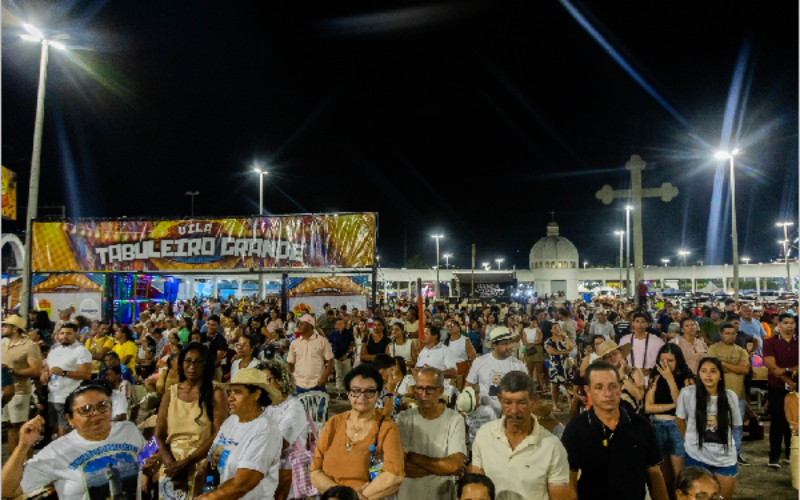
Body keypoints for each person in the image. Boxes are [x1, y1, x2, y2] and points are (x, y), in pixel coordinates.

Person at [2, 383, 146, 500]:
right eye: (85, 410)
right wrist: (23, 446)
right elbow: (6, 490)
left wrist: (147, 469)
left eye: (103, 405)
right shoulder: (57, 452)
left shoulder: (128, 430)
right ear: (70, 419)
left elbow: (147, 452)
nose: (95, 413)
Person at [561, 361, 669, 500]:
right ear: (588, 390)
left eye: (612, 386)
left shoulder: (640, 425)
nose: (607, 394)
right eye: (599, 387)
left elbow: (654, 472)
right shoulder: (575, 429)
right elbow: (570, 479)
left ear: (621, 387)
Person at [468, 371, 573, 500]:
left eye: (521, 403)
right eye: (508, 402)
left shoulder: (552, 447)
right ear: (500, 399)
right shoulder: (484, 435)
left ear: (534, 401)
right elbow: (477, 490)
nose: (514, 410)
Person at [310, 364, 405, 499]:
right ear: (348, 394)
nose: (362, 397)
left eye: (370, 391)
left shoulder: (387, 427)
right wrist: (341, 496)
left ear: (378, 394)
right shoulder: (334, 423)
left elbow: (393, 475)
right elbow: (315, 470)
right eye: (356, 391)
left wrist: (353, 497)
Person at [155, 343, 228, 500]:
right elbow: (159, 435)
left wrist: (185, 464)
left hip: (200, 458)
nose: (192, 366)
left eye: (198, 361)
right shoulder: (171, 392)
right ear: (181, 364)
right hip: (171, 460)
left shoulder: (216, 392)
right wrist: (171, 466)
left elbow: (218, 434)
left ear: (205, 365)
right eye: (188, 361)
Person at [200, 368, 282, 500]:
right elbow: (212, 461)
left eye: (237, 392)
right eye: (230, 392)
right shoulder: (231, 421)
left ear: (256, 394)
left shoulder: (265, 429)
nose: (230, 398)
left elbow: (242, 485)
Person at [396, 367, 467, 500]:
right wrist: (442, 468)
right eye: (419, 388)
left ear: (440, 390)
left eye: (430, 389)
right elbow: (400, 466)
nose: (424, 394)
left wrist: (413, 457)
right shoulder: (404, 418)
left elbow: (455, 466)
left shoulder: (454, 419)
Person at [676, 357, 741, 500]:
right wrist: (689, 439)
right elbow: (680, 419)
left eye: (713, 371)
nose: (708, 375)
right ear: (698, 374)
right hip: (696, 455)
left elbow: (735, 425)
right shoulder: (688, 393)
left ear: (720, 376)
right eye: (704, 371)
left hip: (724, 458)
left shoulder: (730, 397)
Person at [645, 344, 694, 500]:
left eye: (670, 360)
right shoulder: (655, 377)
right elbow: (648, 407)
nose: (665, 364)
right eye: (662, 360)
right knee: (662, 475)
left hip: (676, 426)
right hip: (656, 425)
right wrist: (672, 406)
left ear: (678, 361)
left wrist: (670, 379)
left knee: (679, 476)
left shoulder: (687, 379)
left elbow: (683, 406)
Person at [260, 359, 309, 500]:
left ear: (280, 381)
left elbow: (281, 443)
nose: (263, 385)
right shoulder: (266, 407)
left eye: (267, 380)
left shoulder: (294, 407)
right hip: (268, 471)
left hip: (288, 470)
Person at [707, 323, 751, 466]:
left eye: (733, 333)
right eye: (727, 333)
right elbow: (713, 368)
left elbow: (745, 370)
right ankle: (719, 453)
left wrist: (724, 364)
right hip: (717, 394)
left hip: (738, 394)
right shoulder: (713, 349)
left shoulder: (741, 350)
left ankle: (736, 453)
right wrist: (735, 367)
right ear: (721, 334)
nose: (730, 336)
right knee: (717, 424)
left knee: (737, 425)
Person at [41, 323, 92, 437]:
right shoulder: (54, 350)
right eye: (62, 333)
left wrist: (64, 373)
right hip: (52, 396)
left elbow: (86, 374)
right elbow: (46, 368)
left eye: (69, 333)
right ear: (58, 335)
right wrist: (44, 375)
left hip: (69, 397)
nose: (65, 336)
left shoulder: (80, 350)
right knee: (54, 428)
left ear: (76, 334)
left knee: (64, 431)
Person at [2, 315, 43, 452]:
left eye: (6, 326)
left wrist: (14, 371)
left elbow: (36, 370)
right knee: (10, 425)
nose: (2, 328)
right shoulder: (3, 344)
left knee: (21, 426)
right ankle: (13, 459)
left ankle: (25, 460)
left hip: (20, 392)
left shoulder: (29, 346)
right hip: (4, 391)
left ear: (15, 329)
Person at [465, 326, 527, 417]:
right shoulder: (480, 362)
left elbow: (527, 391)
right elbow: (469, 386)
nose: (509, 347)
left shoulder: (518, 365)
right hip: (485, 414)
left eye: (510, 343)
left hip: (510, 415)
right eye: (505, 344)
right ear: (494, 345)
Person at [762, 313, 798, 469]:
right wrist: (789, 380)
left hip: (796, 387)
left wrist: (788, 369)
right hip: (777, 386)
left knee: (795, 420)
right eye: (786, 322)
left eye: (792, 323)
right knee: (777, 421)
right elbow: (772, 366)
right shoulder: (770, 342)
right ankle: (774, 457)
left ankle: (792, 454)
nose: (789, 326)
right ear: (779, 324)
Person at [287, 314, 335, 395]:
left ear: (310, 325)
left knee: (318, 407)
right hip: (298, 385)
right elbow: (290, 362)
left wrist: (325, 377)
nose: (298, 326)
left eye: (301, 324)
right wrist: (292, 379)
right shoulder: (294, 343)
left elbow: (330, 360)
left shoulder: (322, 341)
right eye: (298, 324)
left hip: (317, 384)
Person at [620, 312, 665, 377]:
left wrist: (650, 370)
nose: (640, 324)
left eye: (643, 322)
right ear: (633, 323)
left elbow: (663, 359)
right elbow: (620, 359)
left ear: (647, 324)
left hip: (651, 377)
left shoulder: (657, 341)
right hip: (630, 377)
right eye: (637, 321)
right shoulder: (624, 340)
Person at [544, 322, 574, 412]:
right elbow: (551, 351)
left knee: (568, 384)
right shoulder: (548, 341)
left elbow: (570, 347)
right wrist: (564, 352)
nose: (558, 329)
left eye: (558, 327)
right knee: (555, 385)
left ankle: (571, 404)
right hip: (555, 364)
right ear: (551, 330)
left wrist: (566, 337)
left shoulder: (564, 339)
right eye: (555, 327)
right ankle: (555, 405)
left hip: (565, 363)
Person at [329, 317, 356, 400]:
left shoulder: (348, 333)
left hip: (346, 357)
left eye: (343, 323)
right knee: (339, 375)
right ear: (335, 325)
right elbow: (330, 345)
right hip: (336, 357)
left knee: (347, 374)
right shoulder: (332, 334)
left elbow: (351, 345)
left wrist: (347, 354)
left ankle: (348, 391)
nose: (342, 325)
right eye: (339, 324)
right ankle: (340, 392)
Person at [522, 317, 546, 393]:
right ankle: (530, 387)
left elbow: (540, 340)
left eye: (536, 321)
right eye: (533, 321)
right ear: (530, 321)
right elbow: (525, 342)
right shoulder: (525, 330)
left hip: (538, 349)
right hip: (529, 349)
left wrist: (538, 331)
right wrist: (533, 343)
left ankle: (542, 387)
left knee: (539, 370)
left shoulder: (538, 330)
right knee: (530, 370)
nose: (534, 323)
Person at [205, 315, 228, 382]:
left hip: (214, 369)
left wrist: (207, 369)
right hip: (200, 368)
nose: (210, 327)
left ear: (218, 326)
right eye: (209, 324)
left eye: (213, 325)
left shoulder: (221, 340)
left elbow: (218, 358)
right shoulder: (202, 336)